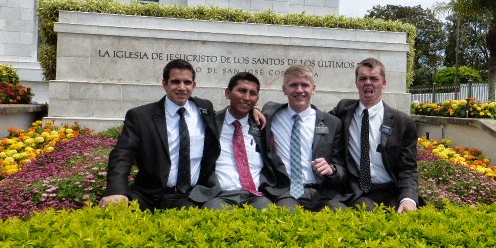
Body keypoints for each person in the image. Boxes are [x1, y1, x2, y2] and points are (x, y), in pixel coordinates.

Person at [99, 59, 221, 210]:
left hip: (191, 197)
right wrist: (116, 190)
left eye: (187, 82)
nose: (182, 87)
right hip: (148, 196)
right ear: (165, 84)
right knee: (114, 213)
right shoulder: (140, 116)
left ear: (194, 85)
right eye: (175, 82)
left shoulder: (205, 108)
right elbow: (123, 154)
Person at [330, 57, 419, 213]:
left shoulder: (403, 122)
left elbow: (408, 168)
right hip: (357, 192)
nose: (368, 83)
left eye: (374, 79)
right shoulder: (343, 110)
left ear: (384, 83)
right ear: (356, 83)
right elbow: (318, 121)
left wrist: (408, 198)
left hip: (391, 191)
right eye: (362, 78)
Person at [261, 65, 349, 210]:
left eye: (305, 85)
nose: (299, 90)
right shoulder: (269, 115)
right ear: (284, 89)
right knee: (287, 217)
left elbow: (343, 169)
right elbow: (243, 110)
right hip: (287, 192)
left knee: (341, 215)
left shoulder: (333, 123)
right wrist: (254, 110)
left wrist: (332, 169)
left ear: (313, 89)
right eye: (293, 85)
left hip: (323, 193)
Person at [200, 72, 273, 209]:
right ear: (228, 93)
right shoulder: (210, 123)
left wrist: (254, 109)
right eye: (241, 91)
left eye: (252, 93)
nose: (247, 98)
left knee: (271, 214)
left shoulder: (262, 125)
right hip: (220, 195)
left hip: (256, 195)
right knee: (213, 214)